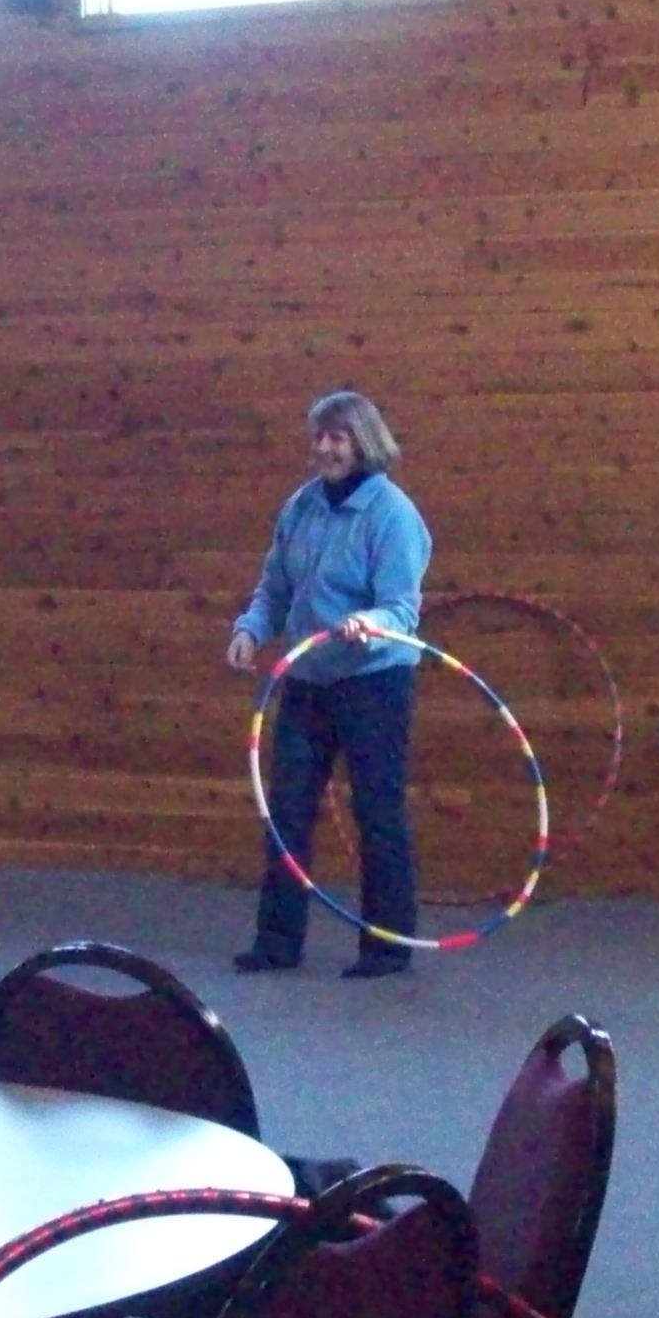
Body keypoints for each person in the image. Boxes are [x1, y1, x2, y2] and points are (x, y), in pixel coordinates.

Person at [228, 389, 433, 979]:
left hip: (373, 683)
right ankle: (277, 942)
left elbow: (401, 609)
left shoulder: (392, 515)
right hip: (307, 680)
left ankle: (387, 948)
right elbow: (275, 589)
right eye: (319, 437)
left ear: (363, 443)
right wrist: (251, 629)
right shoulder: (301, 507)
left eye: (337, 438)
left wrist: (371, 623)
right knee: (287, 810)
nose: (325, 448)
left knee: (378, 813)